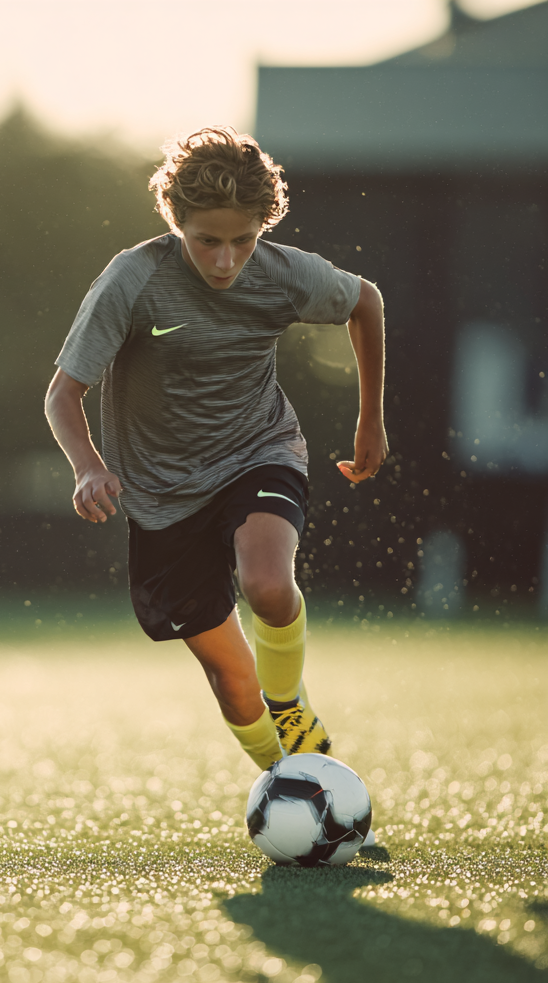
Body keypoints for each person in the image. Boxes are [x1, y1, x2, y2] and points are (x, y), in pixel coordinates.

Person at [44, 127, 387, 771]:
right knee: (232, 681)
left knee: (266, 583)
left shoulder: (284, 275)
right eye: (208, 241)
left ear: (264, 227)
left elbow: (364, 302)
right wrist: (88, 467)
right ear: (177, 223)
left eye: (243, 241)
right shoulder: (132, 279)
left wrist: (370, 421)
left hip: (258, 450)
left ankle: (288, 700)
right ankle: (288, 777)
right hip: (160, 495)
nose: (226, 260)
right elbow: (62, 394)